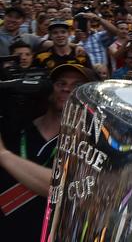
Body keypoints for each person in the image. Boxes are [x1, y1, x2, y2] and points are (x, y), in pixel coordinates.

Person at [0, 64, 96, 242]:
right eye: (61, 83)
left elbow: (60, 187)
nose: (67, 88)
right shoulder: (17, 129)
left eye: (76, 85)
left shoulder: (88, 144)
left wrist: (4, 156)